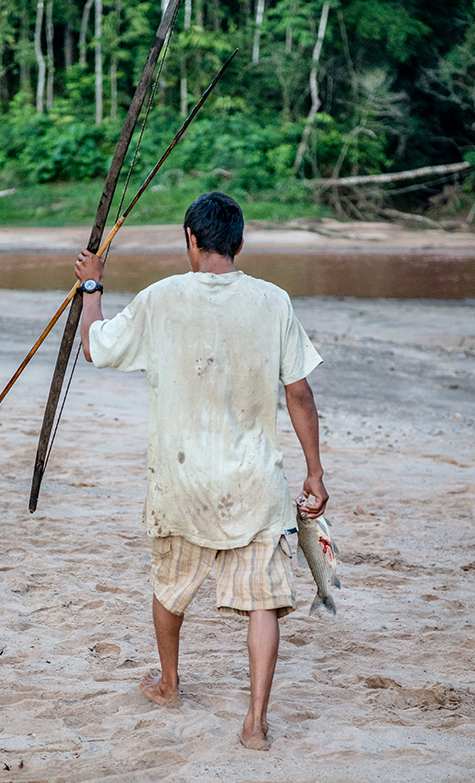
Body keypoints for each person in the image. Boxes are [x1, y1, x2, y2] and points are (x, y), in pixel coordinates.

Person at [75, 192, 328, 751]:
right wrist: (315, 472)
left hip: (183, 480)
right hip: (254, 479)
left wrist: (92, 286)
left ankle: (169, 684)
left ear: (192, 239)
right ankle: (255, 722)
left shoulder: (160, 298)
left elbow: (95, 348)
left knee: (169, 586)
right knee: (263, 600)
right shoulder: (273, 300)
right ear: (238, 242)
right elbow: (300, 392)